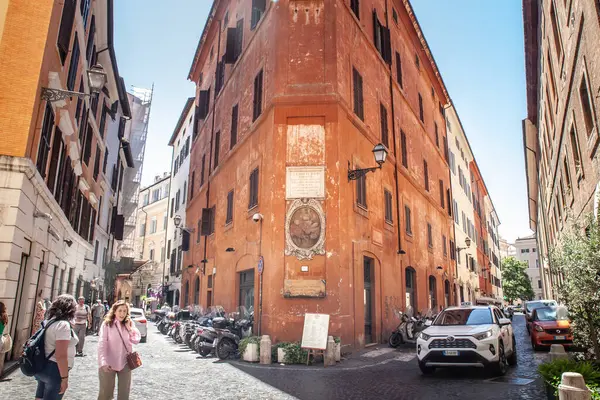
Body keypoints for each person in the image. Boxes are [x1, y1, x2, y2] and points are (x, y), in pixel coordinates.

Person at [34, 294, 79, 400]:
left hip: (43, 365)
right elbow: (61, 355)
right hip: (54, 369)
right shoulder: (63, 325)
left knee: (39, 398)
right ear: (70, 309)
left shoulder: (49, 321)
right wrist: (64, 378)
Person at [98, 300, 141, 400]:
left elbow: (136, 340)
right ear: (114, 311)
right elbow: (102, 344)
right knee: (105, 394)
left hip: (125, 363)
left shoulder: (129, 324)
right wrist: (103, 361)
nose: (122, 314)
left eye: (124, 311)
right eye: (120, 310)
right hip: (108, 362)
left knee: (124, 394)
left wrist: (129, 328)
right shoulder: (107, 324)